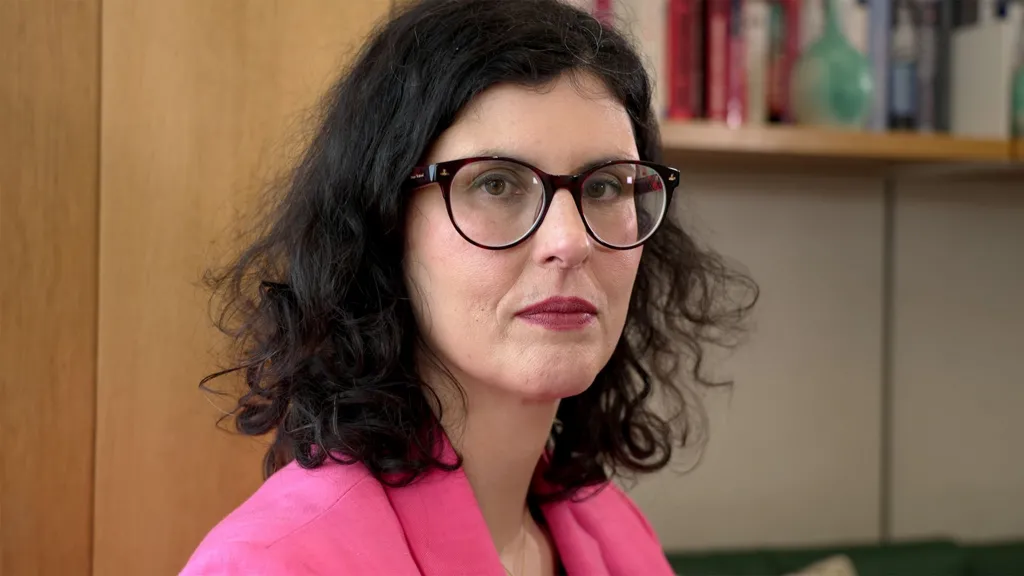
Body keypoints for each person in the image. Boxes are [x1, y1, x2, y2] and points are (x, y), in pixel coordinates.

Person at [181, 0, 756, 574]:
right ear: (385, 224)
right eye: (498, 183)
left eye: (605, 188)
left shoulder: (618, 535)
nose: (571, 240)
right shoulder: (270, 564)